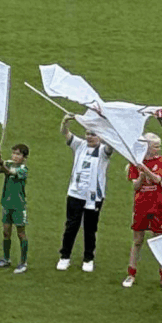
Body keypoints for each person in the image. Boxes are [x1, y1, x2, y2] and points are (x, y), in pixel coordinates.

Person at [59, 117, 108, 273]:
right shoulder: (79, 145)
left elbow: (112, 147)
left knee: (90, 228)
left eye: (93, 134)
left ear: (100, 136)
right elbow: (65, 133)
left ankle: (88, 258)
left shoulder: (103, 151)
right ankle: (64, 256)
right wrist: (65, 122)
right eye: (87, 133)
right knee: (71, 226)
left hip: (94, 196)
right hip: (75, 193)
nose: (89, 137)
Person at [125, 136, 162, 288]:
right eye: (155, 146)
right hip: (141, 206)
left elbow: (156, 180)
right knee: (137, 241)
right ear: (146, 147)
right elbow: (136, 187)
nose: (158, 149)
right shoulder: (135, 162)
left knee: (160, 241)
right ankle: (131, 274)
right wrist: (141, 174)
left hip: (158, 207)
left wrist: (145, 169)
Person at [0, 142, 31, 271]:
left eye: (18, 154)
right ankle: (6, 259)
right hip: (7, 203)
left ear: (24, 157)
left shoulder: (23, 169)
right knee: (6, 232)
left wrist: (1, 163)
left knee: (21, 234)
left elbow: (9, 172)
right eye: (13, 153)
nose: (14, 156)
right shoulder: (7, 163)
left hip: (19, 205)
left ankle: (23, 262)